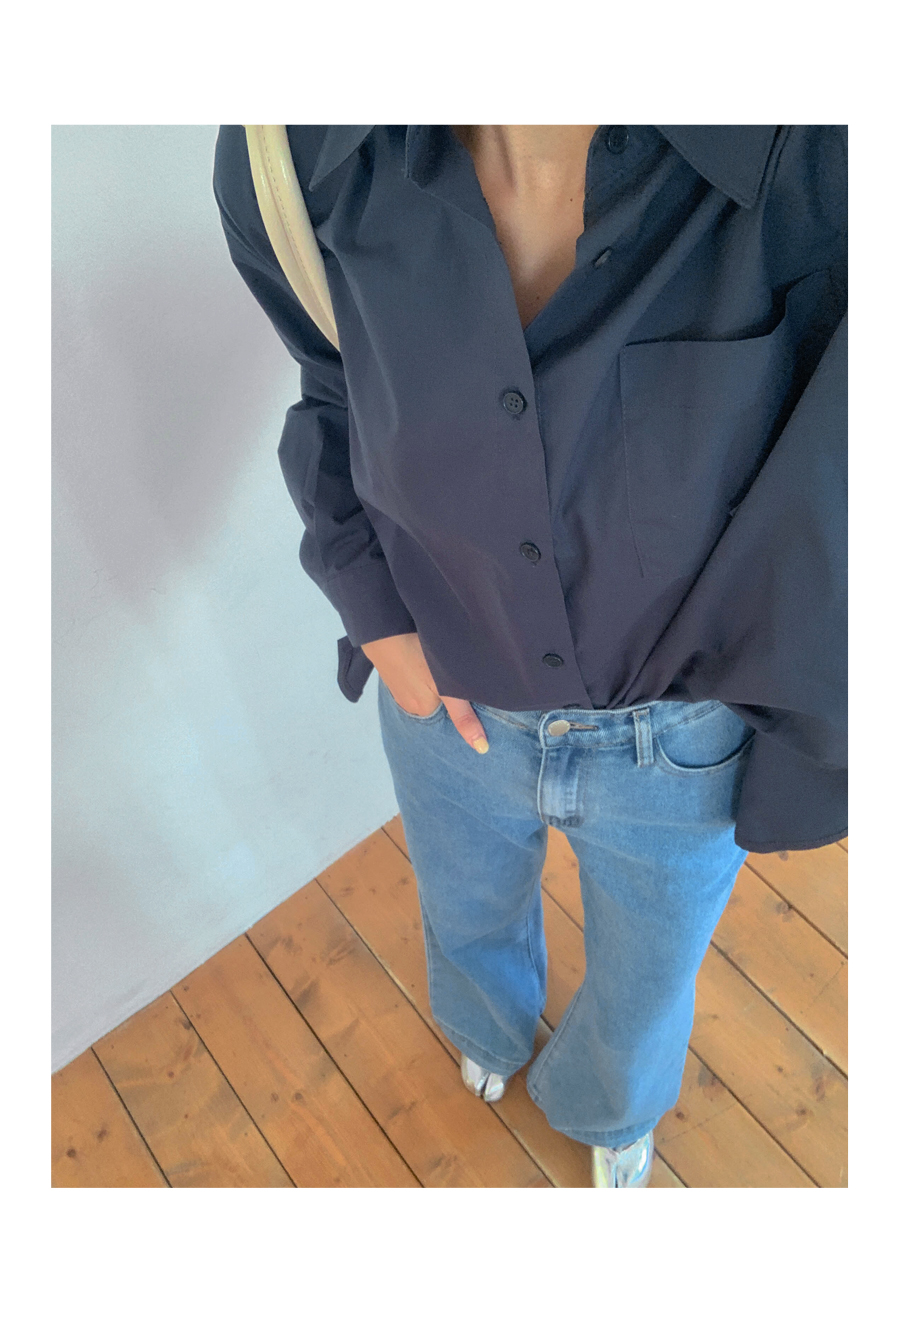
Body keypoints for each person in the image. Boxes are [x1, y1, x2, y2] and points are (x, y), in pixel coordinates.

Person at [213, 124, 847, 1187]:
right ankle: (486, 1028)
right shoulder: (287, 153)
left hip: (681, 740)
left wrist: (806, 742)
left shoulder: (830, 158)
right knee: (464, 909)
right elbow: (330, 377)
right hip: (447, 711)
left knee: (648, 976)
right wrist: (376, 616)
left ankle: (612, 1107)